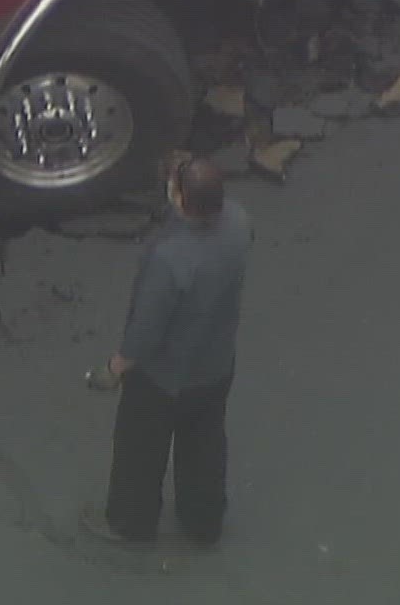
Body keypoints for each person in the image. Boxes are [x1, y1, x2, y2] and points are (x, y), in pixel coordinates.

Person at [80, 154, 253, 546]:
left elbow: (146, 329)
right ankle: (203, 520)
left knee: (139, 452)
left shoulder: (169, 259)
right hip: (215, 365)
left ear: (180, 200)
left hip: (163, 379)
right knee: (205, 443)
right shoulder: (239, 225)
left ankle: (129, 522)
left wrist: (115, 366)